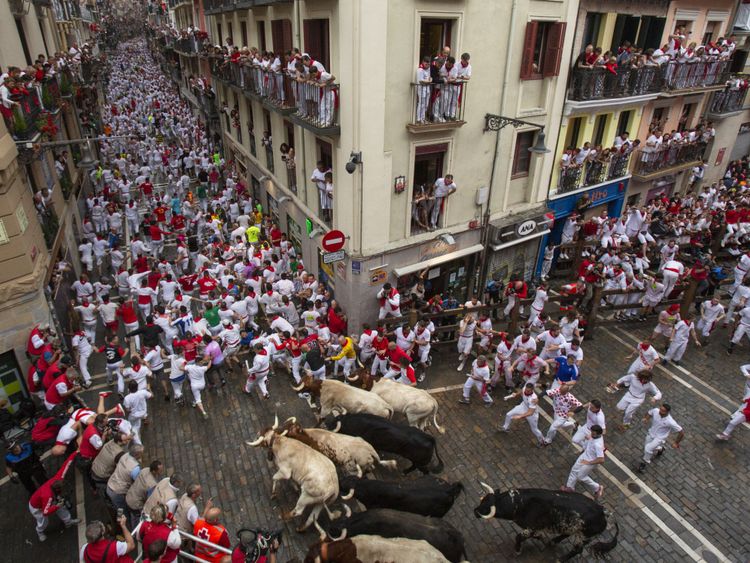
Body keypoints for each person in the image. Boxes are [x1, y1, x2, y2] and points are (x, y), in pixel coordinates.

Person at [28, 452, 80, 542]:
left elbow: (66, 464)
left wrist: (75, 452)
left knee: (62, 507)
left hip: (51, 499)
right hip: (36, 507)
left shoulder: (59, 478)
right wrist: (56, 506)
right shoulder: (47, 496)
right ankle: (39, 531)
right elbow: (45, 512)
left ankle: (68, 521)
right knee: (44, 521)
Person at [637, 403, 684, 473]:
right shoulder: (656, 410)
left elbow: (681, 432)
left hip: (659, 438)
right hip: (651, 433)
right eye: (660, 409)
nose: (660, 411)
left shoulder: (670, 422)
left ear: (667, 412)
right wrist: (646, 418)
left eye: (663, 411)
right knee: (646, 448)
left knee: (648, 449)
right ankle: (660, 449)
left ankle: (643, 464)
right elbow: (649, 413)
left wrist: (676, 443)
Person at [562, 424, 605, 499]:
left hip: (589, 462)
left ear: (598, 434)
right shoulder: (595, 436)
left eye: (593, 434)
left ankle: (597, 487)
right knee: (574, 469)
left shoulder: (598, 444)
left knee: (581, 476)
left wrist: (589, 463)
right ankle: (570, 487)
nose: (591, 434)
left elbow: (601, 459)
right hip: (584, 456)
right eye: (591, 432)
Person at [123, 380, 152, 446]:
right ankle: (138, 434)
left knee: (133, 428)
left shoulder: (127, 398)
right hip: (143, 413)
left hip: (134, 415)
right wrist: (149, 389)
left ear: (129, 389)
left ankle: (138, 442)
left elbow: (127, 409)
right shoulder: (143, 392)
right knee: (137, 425)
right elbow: (151, 396)